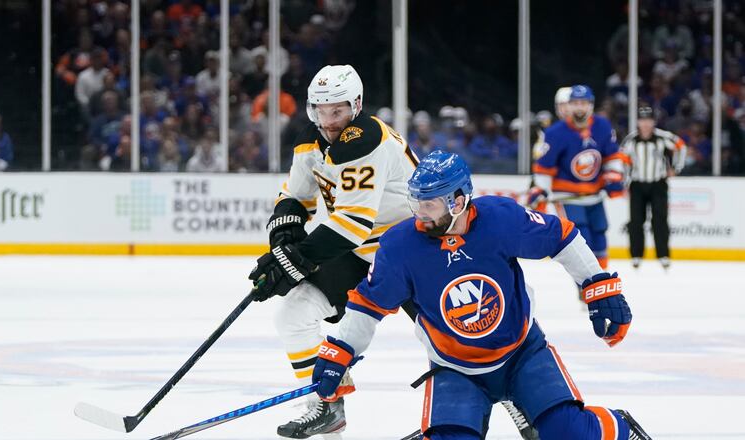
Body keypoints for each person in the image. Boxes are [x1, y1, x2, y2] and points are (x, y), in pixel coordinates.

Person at [312, 150, 652, 440]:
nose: (419, 213)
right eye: (415, 202)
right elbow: (369, 304)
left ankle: (620, 427)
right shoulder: (401, 246)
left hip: (523, 354)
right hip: (454, 369)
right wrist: (340, 350)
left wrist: (597, 285)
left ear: (458, 200)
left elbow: (561, 237)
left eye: (428, 204)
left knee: (569, 433)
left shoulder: (500, 220)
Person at [247, 64, 419, 438]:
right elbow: (296, 194)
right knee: (292, 316)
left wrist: (294, 260)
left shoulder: (366, 139)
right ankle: (326, 405)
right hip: (361, 252)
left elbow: (354, 222)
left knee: (451, 336)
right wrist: (284, 236)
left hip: (414, 249)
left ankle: (515, 402)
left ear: (356, 105)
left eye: (337, 111)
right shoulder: (311, 141)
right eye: (320, 111)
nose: (328, 121)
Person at [528, 85, 626, 271]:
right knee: (582, 240)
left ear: (591, 105)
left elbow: (611, 156)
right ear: (569, 106)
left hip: (595, 196)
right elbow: (544, 168)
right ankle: (585, 286)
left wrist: (613, 176)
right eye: (575, 103)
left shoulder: (602, 126)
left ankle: (601, 281)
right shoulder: (555, 133)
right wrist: (541, 190)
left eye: (583, 103)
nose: (579, 107)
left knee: (599, 237)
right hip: (567, 197)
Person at [620, 106, 686, 269]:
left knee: (660, 220)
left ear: (653, 121)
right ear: (638, 122)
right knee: (636, 221)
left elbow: (681, 146)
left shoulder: (662, 137)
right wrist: (624, 182)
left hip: (658, 184)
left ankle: (663, 255)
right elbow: (622, 159)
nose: (646, 124)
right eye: (642, 120)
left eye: (648, 120)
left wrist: (676, 168)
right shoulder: (631, 139)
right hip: (637, 184)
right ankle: (636, 255)